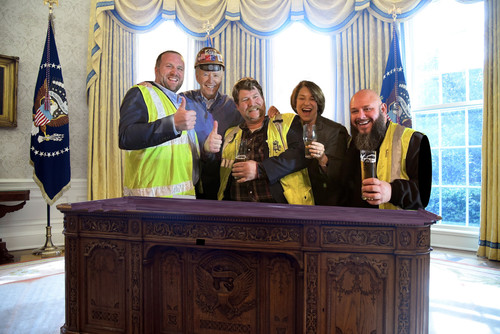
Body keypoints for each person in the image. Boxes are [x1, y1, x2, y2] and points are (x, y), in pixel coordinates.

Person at [210, 77, 314, 205]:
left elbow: (300, 154)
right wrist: (208, 151)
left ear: (263, 99)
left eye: (255, 97)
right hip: (236, 212)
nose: (252, 103)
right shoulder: (230, 134)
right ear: (237, 106)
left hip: (282, 211)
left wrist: (259, 169)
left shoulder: (287, 121)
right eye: (245, 100)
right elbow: (219, 172)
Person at [118, 50, 199, 198]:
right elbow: (126, 137)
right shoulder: (140, 93)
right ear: (156, 70)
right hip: (150, 201)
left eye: (180, 68)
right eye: (169, 66)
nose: (175, 72)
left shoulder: (179, 103)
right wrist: (172, 124)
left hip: (184, 198)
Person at [341, 89, 432, 209]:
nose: (361, 116)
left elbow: (424, 196)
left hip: (397, 226)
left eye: (367, 109)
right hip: (355, 224)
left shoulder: (415, 140)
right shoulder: (351, 143)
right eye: (354, 111)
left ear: (383, 109)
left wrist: (392, 191)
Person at [180, 47, 243, 199]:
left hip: (223, 184)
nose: (211, 80)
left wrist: (271, 115)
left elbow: (254, 122)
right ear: (197, 75)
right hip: (188, 182)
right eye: (206, 74)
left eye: (216, 75)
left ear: (222, 76)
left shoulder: (232, 106)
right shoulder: (182, 100)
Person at [289, 80, 349, 206]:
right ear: (295, 103)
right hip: (293, 201)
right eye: (301, 98)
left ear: (319, 103)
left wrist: (323, 159)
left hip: (325, 202)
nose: (306, 103)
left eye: (312, 99)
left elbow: (342, 176)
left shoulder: (336, 131)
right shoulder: (288, 126)